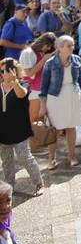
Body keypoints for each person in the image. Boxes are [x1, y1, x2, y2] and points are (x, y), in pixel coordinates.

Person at [37, 35, 81, 169]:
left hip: (73, 96)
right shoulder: (50, 63)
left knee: (71, 127)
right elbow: (43, 86)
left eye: (73, 45)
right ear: (60, 48)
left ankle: (72, 156)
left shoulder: (77, 60)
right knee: (55, 129)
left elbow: (80, 80)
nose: (72, 48)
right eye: (69, 46)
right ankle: (51, 158)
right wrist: (43, 105)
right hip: (56, 98)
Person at [0, 62, 42, 196]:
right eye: (1, 71)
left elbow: (21, 94)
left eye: (6, 70)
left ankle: (38, 183)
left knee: (25, 157)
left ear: (15, 71)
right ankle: (9, 187)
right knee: (7, 162)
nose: (3, 73)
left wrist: (14, 82)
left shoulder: (23, 84)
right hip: (2, 132)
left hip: (19, 130)